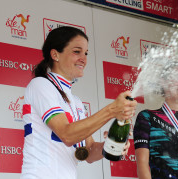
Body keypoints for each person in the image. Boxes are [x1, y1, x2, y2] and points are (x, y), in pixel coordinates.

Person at [20, 26, 137, 179]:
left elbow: (88, 152)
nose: (84, 58)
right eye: (77, 51)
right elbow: (66, 135)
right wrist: (112, 110)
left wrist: (111, 145)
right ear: (55, 54)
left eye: (86, 53)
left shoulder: (76, 102)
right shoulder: (40, 85)